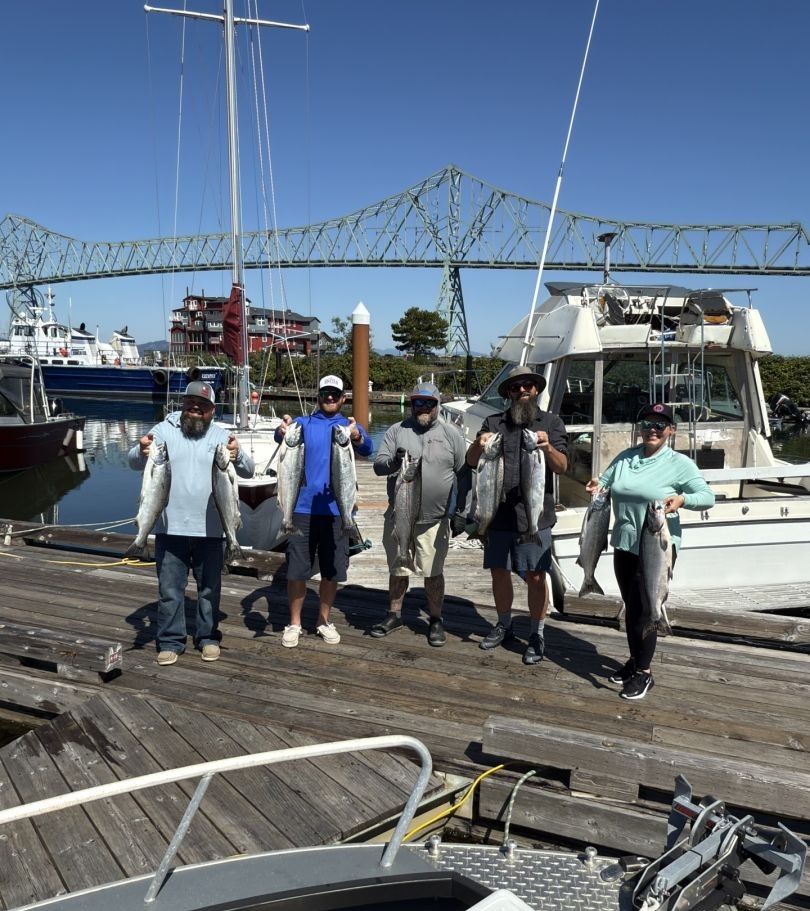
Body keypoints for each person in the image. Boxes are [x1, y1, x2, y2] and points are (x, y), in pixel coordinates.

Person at [585, 402, 715, 700]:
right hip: (624, 543)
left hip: (657, 548)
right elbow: (604, 482)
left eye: (659, 425)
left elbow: (707, 497)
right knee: (632, 608)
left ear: (671, 430)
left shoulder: (679, 464)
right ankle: (635, 661)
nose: (652, 430)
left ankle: (644, 673)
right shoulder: (626, 458)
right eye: (646, 424)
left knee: (648, 609)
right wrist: (596, 485)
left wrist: (682, 500)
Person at [128, 380, 255, 665]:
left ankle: (207, 637)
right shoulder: (162, 431)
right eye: (191, 404)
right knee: (169, 591)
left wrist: (239, 453)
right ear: (183, 405)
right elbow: (134, 462)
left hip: (211, 529)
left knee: (209, 589)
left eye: (203, 406)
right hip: (169, 529)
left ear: (212, 410)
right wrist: (141, 449)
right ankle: (171, 640)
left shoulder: (222, 436)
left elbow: (248, 471)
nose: (196, 410)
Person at [465, 365, 568, 665]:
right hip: (497, 514)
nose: (522, 391)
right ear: (509, 393)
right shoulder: (493, 422)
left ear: (536, 390)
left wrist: (547, 447)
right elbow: (473, 462)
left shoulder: (551, 422)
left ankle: (537, 632)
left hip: (535, 516)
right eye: (516, 387)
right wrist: (477, 443)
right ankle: (504, 624)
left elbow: (562, 467)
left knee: (536, 576)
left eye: (528, 386)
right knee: (499, 572)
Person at [274, 374, 373, 647]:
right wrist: (282, 430)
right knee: (296, 570)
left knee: (332, 570)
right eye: (325, 393)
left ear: (343, 399)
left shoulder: (348, 427)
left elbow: (368, 447)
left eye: (335, 394)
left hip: (336, 512)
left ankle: (323, 620)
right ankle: (294, 623)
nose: (329, 398)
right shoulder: (302, 424)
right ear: (318, 396)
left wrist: (357, 435)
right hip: (301, 510)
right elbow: (280, 434)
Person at [372, 382, 467, 646]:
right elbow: (379, 467)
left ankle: (435, 619)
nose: (423, 407)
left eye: (429, 403)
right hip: (399, 515)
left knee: (433, 572)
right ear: (411, 404)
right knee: (398, 567)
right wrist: (393, 462)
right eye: (418, 402)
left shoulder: (452, 434)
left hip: (434, 521)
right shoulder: (396, 431)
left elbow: (464, 474)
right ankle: (394, 614)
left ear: (437, 405)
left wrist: (460, 511)